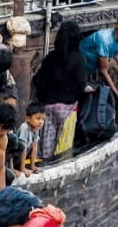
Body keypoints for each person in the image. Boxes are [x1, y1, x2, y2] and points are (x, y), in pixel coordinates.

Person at [33, 21, 87, 160]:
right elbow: (82, 85)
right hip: (67, 109)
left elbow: (38, 79)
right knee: (63, 150)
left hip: (47, 107)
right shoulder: (79, 58)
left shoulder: (50, 57)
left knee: (45, 149)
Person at [15, 104, 45, 178]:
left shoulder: (35, 129)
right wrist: (22, 168)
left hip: (20, 159)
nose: (41, 122)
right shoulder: (24, 127)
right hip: (13, 158)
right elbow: (23, 149)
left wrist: (32, 166)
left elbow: (34, 148)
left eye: (43, 119)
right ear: (28, 119)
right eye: (38, 119)